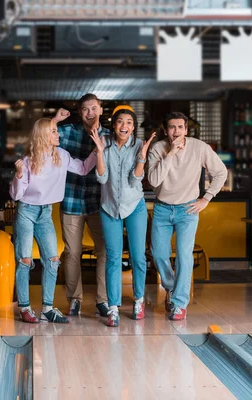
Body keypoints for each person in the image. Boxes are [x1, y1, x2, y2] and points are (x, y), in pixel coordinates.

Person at [9, 118, 97, 324]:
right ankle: (24, 308)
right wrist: (19, 175)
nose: (58, 135)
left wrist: (97, 149)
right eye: (54, 132)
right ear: (43, 136)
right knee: (25, 260)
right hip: (26, 211)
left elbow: (83, 168)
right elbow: (15, 195)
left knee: (52, 260)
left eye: (57, 131)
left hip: (45, 213)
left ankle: (47, 309)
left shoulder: (62, 156)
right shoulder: (29, 161)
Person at [147, 112, 227, 321]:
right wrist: (171, 153)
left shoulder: (199, 148)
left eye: (180, 127)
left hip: (188, 210)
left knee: (184, 255)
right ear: (165, 130)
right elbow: (154, 180)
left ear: (186, 129)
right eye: (172, 127)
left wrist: (206, 198)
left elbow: (221, 172)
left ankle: (180, 303)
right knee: (158, 255)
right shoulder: (157, 149)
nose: (176, 132)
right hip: (162, 209)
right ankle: (171, 288)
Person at [90, 106, 156, 327]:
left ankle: (138, 300)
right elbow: (101, 178)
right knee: (113, 258)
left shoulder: (138, 145)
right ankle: (113, 307)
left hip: (134, 206)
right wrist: (99, 152)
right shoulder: (104, 144)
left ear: (133, 126)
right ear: (114, 124)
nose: (124, 126)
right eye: (120, 121)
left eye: (128, 122)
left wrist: (142, 158)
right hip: (109, 207)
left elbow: (134, 180)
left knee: (138, 257)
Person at [52, 94, 110, 317]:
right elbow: (42, 134)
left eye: (94, 108)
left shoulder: (109, 136)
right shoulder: (67, 132)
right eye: (85, 109)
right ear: (80, 113)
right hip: (72, 200)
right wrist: (55, 121)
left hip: (99, 202)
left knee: (104, 251)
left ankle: (102, 300)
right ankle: (74, 299)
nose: (90, 113)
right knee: (72, 252)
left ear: (101, 110)